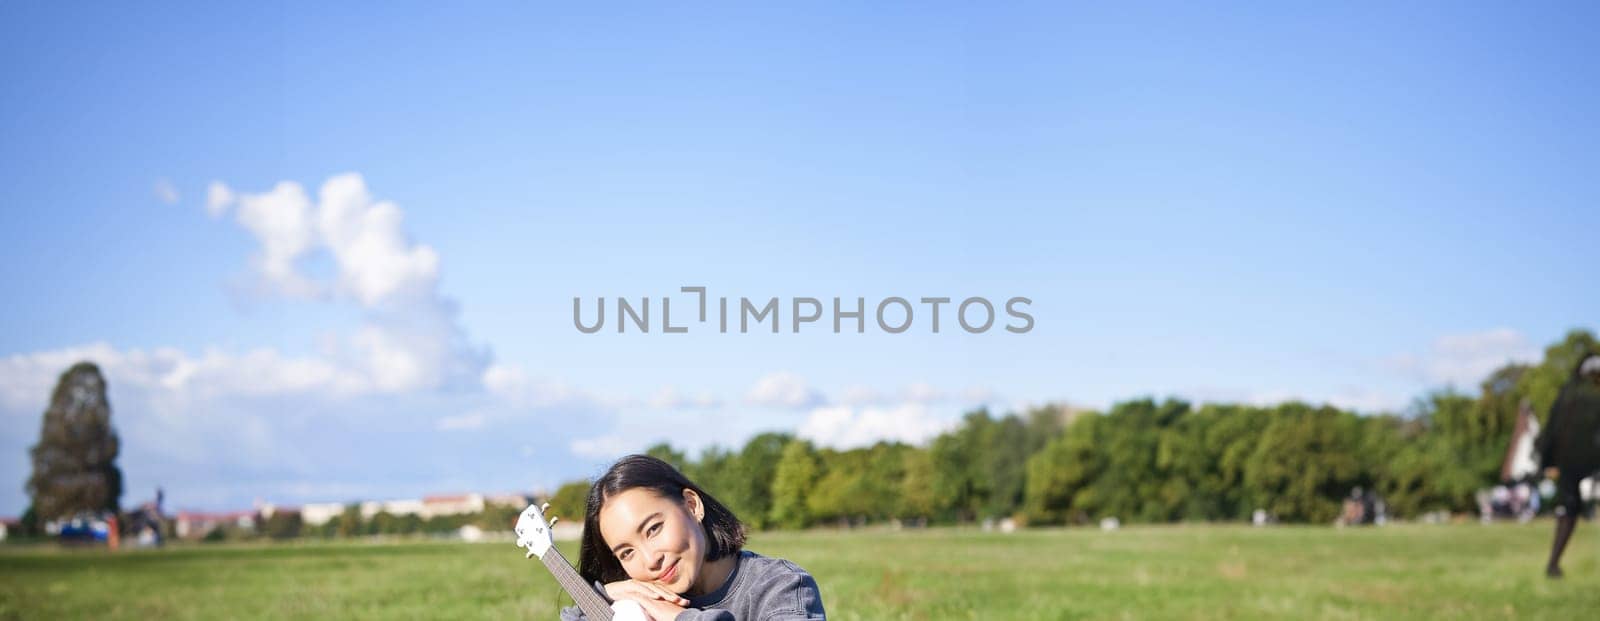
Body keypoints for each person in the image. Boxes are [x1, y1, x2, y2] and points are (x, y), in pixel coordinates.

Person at [560, 455, 827, 620]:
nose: (651, 560)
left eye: (653, 529)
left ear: (691, 505)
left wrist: (677, 617)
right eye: (627, 552)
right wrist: (603, 596)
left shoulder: (781, 586)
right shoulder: (633, 608)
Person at [1536, 352, 1600, 578]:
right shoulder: (1570, 395)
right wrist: (1547, 461)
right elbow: (1554, 428)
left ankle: (1553, 563)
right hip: (1573, 460)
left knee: (1569, 509)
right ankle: (1553, 564)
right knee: (1568, 509)